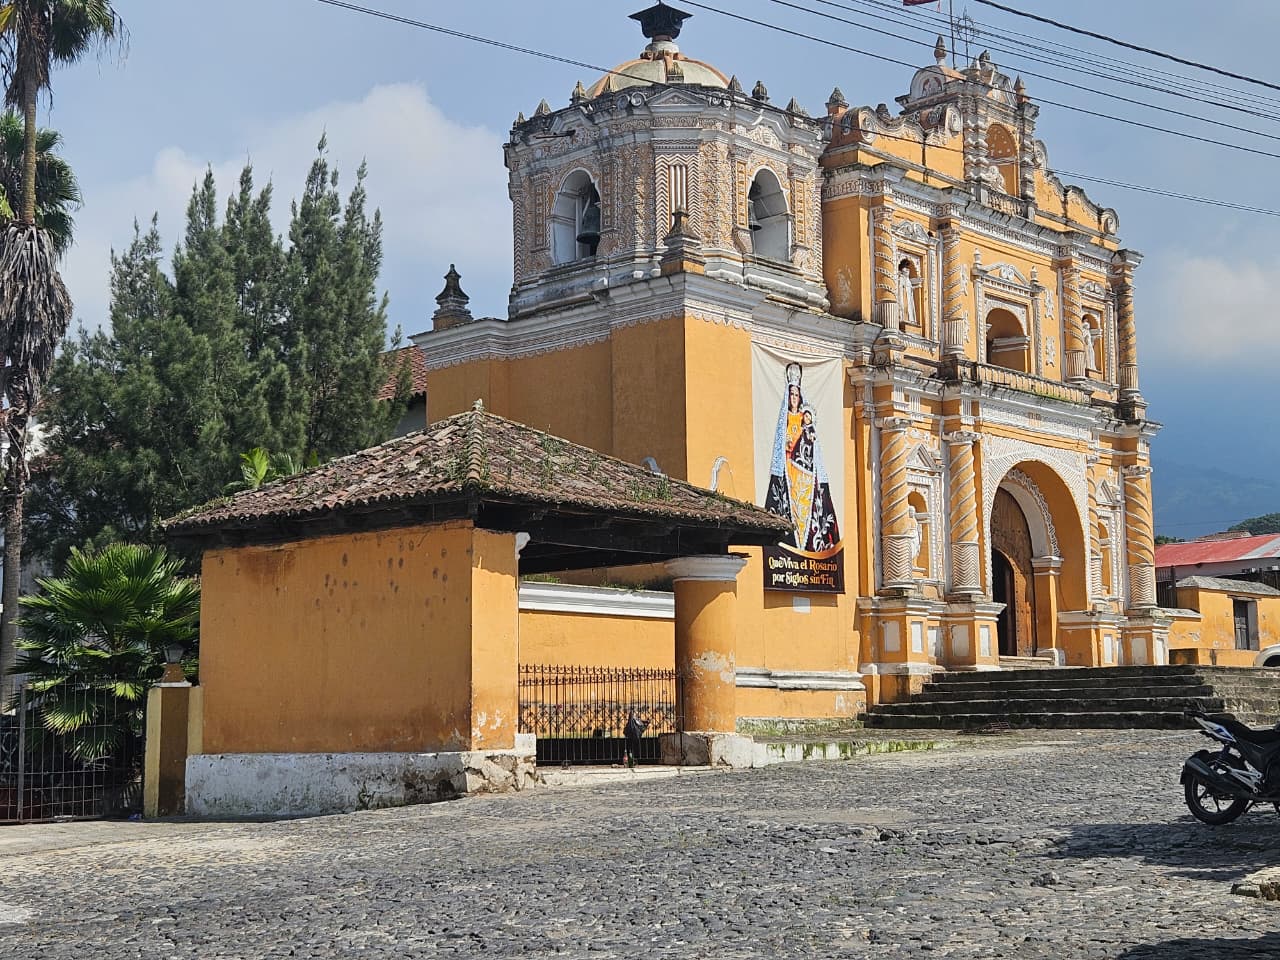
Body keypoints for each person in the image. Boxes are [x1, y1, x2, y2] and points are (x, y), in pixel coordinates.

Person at [764, 364, 841, 552]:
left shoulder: (804, 419)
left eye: (796, 395)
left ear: (800, 397)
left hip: (805, 475)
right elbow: (781, 443)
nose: (793, 398)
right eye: (791, 394)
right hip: (789, 470)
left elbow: (812, 445)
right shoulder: (785, 418)